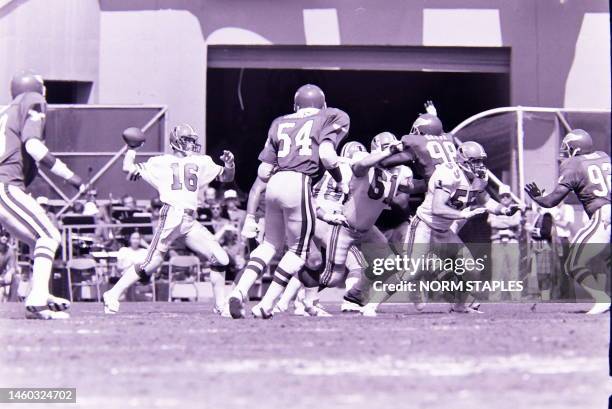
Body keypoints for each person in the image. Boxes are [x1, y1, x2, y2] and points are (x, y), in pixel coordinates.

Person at [228, 83, 350, 319]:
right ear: (322, 105)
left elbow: (264, 171)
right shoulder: (331, 116)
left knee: (269, 246)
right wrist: (340, 180)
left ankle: (239, 291)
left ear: (295, 105)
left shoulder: (279, 122)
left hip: (274, 182)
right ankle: (266, 304)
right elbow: (327, 155)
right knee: (298, 251)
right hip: (300, 181)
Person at [102, 123, 235, 314]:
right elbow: (128, 169)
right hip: (172, 214)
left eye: (192, 140)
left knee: (221, 259)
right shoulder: (160, 162)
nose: (191, 144)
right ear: (176, 142)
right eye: (187, 140)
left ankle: (220, 305)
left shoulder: (201, 161)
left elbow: (226, 177)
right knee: (152, 262)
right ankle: (112, 294)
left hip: (189, 220)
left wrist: (230, 164)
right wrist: (132, 149)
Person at [0, 70, 85, 319]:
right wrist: (71, 177)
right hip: (6, 185)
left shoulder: (7, 110)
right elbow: (33, 145)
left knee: (41, 241)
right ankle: (36, 300)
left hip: (6, 186)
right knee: (49, 235)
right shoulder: (32, 101)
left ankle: (40, 296)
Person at [525, 129, 611, 314]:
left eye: (568, 148)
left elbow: (551, 201)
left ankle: (602, 299)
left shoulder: (574, 163)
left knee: (573, 263)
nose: (566, 152)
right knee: (605, 261)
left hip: (603, 215)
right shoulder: (604, 157)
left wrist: (537, 197)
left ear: (575, 148)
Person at [488, 184, 522, 301]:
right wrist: (508, 221)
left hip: (512, 241)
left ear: (511, 197)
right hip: (497, 242)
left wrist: (501, 221)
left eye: (507, 196)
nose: (505, 198)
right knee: (497, 271)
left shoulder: (515, 209)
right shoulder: (494, 208)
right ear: (499, 197)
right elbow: (493, 224)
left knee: (514, 271)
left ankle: (515, 297)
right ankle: (494, 298)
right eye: (503, 196)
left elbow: (516, 222)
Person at [116, 231, 149, 301]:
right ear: (130, 239)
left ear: (140, 240)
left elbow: (154, 255)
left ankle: (124, 296)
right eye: (133, 238)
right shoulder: (123, 250)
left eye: (138, 238)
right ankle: (128, 297)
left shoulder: (144, 251)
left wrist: (146, 245)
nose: (135, 240)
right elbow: (119, 267)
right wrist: (128, 266)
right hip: (125, 273)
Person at [0, 231, 17, 302]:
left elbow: (12, 267)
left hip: (1, 275)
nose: (4, 237)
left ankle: (11, 302)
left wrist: (9, 273)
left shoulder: (10, 251)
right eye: (2, 235)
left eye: (6, 236)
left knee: (15, 278)